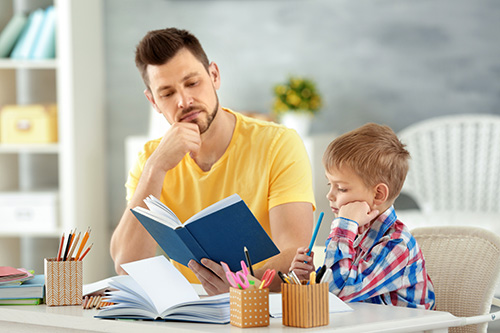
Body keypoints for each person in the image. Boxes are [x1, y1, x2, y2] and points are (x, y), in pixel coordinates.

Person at [110, 27, 315, 295]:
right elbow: (127, 266)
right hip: (192, 315)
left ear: (214, 75)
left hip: (265, 312)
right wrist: (156, 169)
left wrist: (239, 284)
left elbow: (294, 261)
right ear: (153, 101)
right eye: (167, 93)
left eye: (192, 83)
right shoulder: (151, 160)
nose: (184, 101)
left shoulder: (279, 144)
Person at [290, 123, 435, 309]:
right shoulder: (356, 234)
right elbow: (328, 294)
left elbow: (335, 294)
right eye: (330, 185)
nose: (330, 196)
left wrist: (343, 227)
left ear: (378, 195)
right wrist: (307, 279)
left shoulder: (396, 244)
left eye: (341, 188)